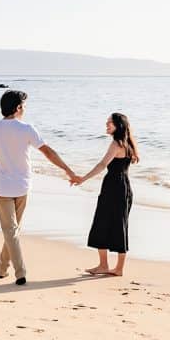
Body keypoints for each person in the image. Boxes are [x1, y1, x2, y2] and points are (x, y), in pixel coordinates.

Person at [0, 89, 77, 285]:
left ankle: (3, 268)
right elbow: (48, 152)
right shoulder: (27, 129)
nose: (24, 109)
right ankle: (19, 272)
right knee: (13, 230)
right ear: (18, 108)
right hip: (22, 185)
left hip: (3, 186)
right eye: (23, 106)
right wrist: (68, 170)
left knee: (11, 230)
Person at [71, 112, 139, 277]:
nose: (106, 125)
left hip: (113, 188)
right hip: (125, 188)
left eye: (110, 123)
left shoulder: (116, 144)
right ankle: (118, 268)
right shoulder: (129, 144)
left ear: (118, 126)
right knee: (120, 226)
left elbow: (102, 164)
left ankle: (104, 265)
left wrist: (83, 178)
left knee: (102, 223)